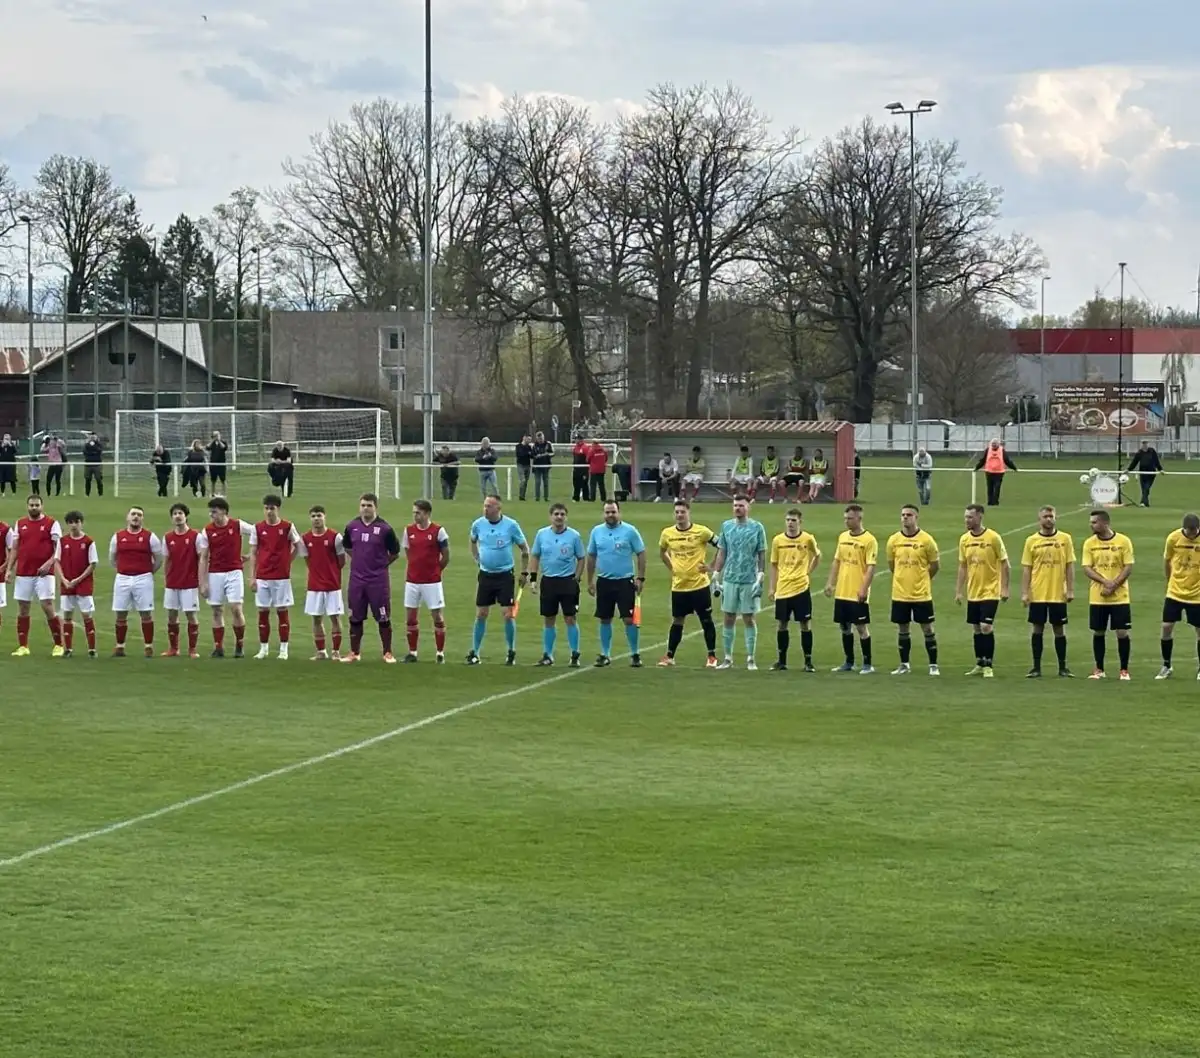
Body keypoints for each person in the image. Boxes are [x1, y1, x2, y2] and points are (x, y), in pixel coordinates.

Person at [340, 492, 402, 663]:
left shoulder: (385, 529)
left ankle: (387, 652)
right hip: (357, 580)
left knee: (382, 616)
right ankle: (354, 652)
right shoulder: (351, 526)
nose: (365, 508)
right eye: (363, 505)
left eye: (369, 505)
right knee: (355, 616)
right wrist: (361, 561)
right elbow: (348, 548)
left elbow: (395, 553)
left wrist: (380, 565)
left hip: (378, 581)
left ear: (376, 507)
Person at [467, 495, 529, 665]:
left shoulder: (511, 525)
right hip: (486, 575)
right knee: (481, 613)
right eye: (485, 505)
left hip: (504, 575)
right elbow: (473, 541)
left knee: (507, 614)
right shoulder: (478, 524)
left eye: (489, 506)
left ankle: (511, 651)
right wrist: (477, 558)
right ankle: (475, 652)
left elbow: (524, 548)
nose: (485, 509)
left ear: (498, 509)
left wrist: (524, 572)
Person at [657, 499, 719, 668]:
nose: (679, 515)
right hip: (679, 586)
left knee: (706, 620)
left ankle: (712, 656)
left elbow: (721, 545)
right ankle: (669, 656)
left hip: (699, 585)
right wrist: (672, 567)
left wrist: (711, 566)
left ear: (688, 513)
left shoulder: (702, 532)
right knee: (677, 620)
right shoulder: (667, 534)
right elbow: (662, 552)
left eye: (682, 512)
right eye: (677, 512)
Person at [586, 499, 646, 667]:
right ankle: (605, 654)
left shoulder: (630, 531)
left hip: (625, 581)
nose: (610, 515)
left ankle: (635, 653)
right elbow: (591, 556)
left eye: (613, 512)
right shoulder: (597, 532)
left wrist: (640, 577)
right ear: (603, 514)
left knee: (628, 619)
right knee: (604, 618)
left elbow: (641, 553)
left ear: (619, 512)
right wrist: (590, 580)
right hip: (604, 581)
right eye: (607, 512)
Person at [712, 494, 768, 670]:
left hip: (748, 579)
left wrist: (760, 574)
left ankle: (751, 658)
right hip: (730, 578)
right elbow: (722, 552)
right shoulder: (726, 526)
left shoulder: (757, 528)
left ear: (748, 507)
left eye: (741, 505)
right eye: (735, 505)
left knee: (748, 618)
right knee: (728, 616)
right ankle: (727, 658)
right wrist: (716, 573)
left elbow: (761, 553)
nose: (737, 508)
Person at [5, 494, 65, 656]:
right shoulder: (20, 524)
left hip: (44, 574)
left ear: (42, 506)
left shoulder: (51, 524)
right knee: (23, 608)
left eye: (37, 505)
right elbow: (15, 548)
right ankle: (23, 646)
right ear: (27, 506)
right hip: (24, 572)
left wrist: (49, 563)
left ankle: (59, 645)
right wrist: (9, 569)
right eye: (31, 505)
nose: (34, 508)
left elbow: (58, 549)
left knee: (47, 606)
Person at [1020, 505, 1075, 678]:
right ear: (1039, 519)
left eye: (1051, 516)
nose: (1048, 519)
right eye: (1045, 516)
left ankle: (1063, 667)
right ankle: (1036, 667)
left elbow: (1069, 566)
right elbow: (1027, 569)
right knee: (1037, 629)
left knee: (1059, 629)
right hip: (1038, 593)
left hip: (1058, 593)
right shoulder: (1031, 541)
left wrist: (1071, 589)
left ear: (1055, 518)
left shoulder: (1065, 539)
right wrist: (1025, 592)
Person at [955, 503, 1010, 678]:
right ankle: (979, 662)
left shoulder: (993, 537)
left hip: (990, 590)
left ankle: (989, 665)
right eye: (965, 517)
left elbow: (1005, 563)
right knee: (977, 629)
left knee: (986, 626)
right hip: (973, 591)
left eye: (970, 517)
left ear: (980, 517)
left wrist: (1004, 588)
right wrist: (959, 590)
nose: (967, 520)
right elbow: (963, 566)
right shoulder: (964, 540)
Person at [886, 504, 940, 676]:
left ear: (916, 517)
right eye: (903, 515)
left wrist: (922, 579)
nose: (905, 518)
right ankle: (904, 664)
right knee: (903, 629)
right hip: (900, 593)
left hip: (921, 594)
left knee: (928, 629)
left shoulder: (926, 541)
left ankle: (933, 665)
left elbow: (935, 565)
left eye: (909, 515)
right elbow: (892, 565)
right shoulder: (893, 540)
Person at [530, 502, 585, 667]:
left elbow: (581, 557)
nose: (559, 517)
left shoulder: (574, 536)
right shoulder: (541, 535)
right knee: (549, 618)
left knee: (570, 618)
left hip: (567, 581)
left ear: (566, 517)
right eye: (556, 514)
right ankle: (548, 654)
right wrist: (533, 579)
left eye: (562, 514)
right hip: (548, 581)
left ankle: (575, 653)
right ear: (551, 517)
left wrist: (577, 577)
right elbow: (535, 556)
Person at [823, 503, 877, 674]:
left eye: (850, 518)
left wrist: (864, 589)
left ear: (859, 519)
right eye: (845, 518)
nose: (846, 522)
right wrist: (830, 583)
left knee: (861, 627)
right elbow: (837, 561)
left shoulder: (869, 540)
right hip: (842, 591)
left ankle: (868, 664)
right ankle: (849, 662)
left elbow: (871, 567)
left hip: (857, 592)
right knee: (844, 626)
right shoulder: (843, 537)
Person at [1082, 509, 1134, 680]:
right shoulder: (1089, 543)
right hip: (1098, 596)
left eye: (1094, 522)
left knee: (1122, 632)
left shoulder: (1123, 541)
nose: (1091, 525)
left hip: (1120, 597)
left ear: (1105, 523)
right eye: (1091, 522)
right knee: (1098, 632)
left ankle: (1124, 670)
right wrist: (1106, 583)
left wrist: (1114, 585)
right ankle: (1099, 669)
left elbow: (1128, 567)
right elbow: (1087, 568)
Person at [197, 496, 252, 658]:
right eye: (210, 512)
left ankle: (239, 644)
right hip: (215, 573)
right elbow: (204, 557)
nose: (211, 515)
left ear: (224, 512)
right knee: (216, 610)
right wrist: (203, 582)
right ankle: (218, 647)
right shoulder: (207, 531)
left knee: (236, 608)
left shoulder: (237, 525)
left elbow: (260, 535)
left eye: (214, 512)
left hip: (234, 572)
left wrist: (249, 555)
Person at [249, 494, 302, 660]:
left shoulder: (287, 526)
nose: (269, 511)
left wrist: (288, 562)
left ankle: (283, 649)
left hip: (281, 577)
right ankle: (263, 648)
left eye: (272, 508)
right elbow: (253, 553)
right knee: (263, 611)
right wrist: (252, 577)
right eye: (266, 508)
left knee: (282, 611)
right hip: (263, 576)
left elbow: (299, 546)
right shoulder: (257, 528)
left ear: (278, 509)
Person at [768, 507, 820, 672]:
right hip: (783, 589)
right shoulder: (778, 541)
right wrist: (772, 587)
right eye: (788, 520)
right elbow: (774, 565)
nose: (790, 523)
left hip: (801, 588)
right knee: (782, 624)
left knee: (805, 624)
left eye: (793, 520)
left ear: (800, 522)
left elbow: (817, 555)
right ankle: (781, 661)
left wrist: (807, 572)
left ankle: (808, 662)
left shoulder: (807, 539)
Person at [109, 505, 163, 658]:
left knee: (145, 612)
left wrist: (148, 571)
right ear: (127, 517)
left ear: (142, 518)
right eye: (133, 514)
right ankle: (120, 646)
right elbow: (112, 558)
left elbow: (158, 559)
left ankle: (148, 646)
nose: (136, 517)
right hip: (123, 578)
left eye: (139, 515)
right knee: (120, 612)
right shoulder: (117, 537)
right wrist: (123, 570)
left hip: (143, 578)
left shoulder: (150, 537)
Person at [401, 498, 450, 663]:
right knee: (410, 617)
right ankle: (412, 652)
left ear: (427, 513)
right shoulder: (408, 531)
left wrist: (435, 571)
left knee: (437, 617)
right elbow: (408, 552)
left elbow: (446, 556)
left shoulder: (438, 531)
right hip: (412, 581)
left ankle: (440, 652)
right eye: (414, 513)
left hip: (432, 582)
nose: (415, 516)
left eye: (418, 513)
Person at [1158, 512, 1200, 679]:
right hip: (1175, 591)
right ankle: (1166, 665)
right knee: (1166, 627)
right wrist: (1170, 581)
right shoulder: (1173, 538)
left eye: (1194, 531)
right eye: (1189, 531)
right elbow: (1167, 561)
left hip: (1197, 594)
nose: (1191, 535)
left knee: (1199, 630)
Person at [302, 505, 346, 660]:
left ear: (324, 517)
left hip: (332, 585)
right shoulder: (305, 538)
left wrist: (331, 573)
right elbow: (308, 560)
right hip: (314, 586)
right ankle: (321, 651)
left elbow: (341, 560)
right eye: (313, 516)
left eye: (319, 515)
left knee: (335, 617)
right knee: (316, 618)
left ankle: (335, 651)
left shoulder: (335, 537)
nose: (316, 519)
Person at [162, 502, 202, 658]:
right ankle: (174, 648)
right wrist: (167, 578)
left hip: (189, 582)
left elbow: (201, 558)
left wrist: (199, 578)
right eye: (174, 514)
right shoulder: (167, 537)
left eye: (180, 513)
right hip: (173, 582)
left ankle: (192, 649)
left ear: (186, 516)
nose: (177, 516)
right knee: (172, 614)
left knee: (190, 614)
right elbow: (167, 560)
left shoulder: (195, 537)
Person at [56, 511, 98, 658]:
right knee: (67, 615)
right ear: (67, 524)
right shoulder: (62, 541)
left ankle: (92, 649)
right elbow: (57, 561)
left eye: (77, 522)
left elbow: (92, 564)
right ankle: (68, 649)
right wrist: (63, 579)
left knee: (87, 615)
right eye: (71, 522)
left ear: (81, 523)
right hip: (67, 584)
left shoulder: (88, 542)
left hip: (83, 585)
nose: (74, 525)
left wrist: (78, 579)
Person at [974, 438, 1017, 506]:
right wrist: (977, 467)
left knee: (997, 487)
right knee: (989, 487)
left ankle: (995, 502)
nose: (993, 445)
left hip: (999, 472)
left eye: (995, 444)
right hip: (989, 471)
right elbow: (983, 460)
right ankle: (990, 502)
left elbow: (1006, 460)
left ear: (998, 444)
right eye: (992, 444)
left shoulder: (1001, 450)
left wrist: (1014, 468)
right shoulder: (988, 450)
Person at [1127, 440, 1164, 507]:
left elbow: (1156, 461)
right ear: (1142, 445)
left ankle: (1142, 502)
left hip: (1151, 474)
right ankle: (1146, 503)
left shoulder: (1152, 451)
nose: (1145, 445)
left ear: (1148, 444)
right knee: (1144, 489)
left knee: (1146, 488)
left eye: (1146, 444)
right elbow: (1134, 462)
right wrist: (1128, 470)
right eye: (1144, 444)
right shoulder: (1139, 453)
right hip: (1142, 474)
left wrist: (1160, 469)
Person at [531, 431, 553, 502]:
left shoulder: (548, 444)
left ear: (543, 437)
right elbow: (532, 455)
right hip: (537, 467)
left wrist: (547, 455)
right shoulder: (534, 445)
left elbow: (552, 453)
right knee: (537, 482)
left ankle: (546, 498)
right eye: (539, 439)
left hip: (546, 466)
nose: (540, 440)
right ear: (537, 439)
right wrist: (537, 456)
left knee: (546, 482)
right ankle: (537, 498)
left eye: (541, 438)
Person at [206, 431, 229, 496]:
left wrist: (219, 441)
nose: (216, 436)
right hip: (213, 464)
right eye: (215, 435)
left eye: (217, 435)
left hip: (221, 464)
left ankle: (224, 494)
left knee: (223, 480)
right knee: (213, 480)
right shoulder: (212, 443)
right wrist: (213, 440)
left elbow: (224, 448)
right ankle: (213, 493)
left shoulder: (223, 442)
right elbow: (207, 447)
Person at [83, 432, 104, 496]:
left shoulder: (99, 444)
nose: (92, 438)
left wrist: (93, 446)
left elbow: (99, 451)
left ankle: (100, 494)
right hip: (88, 464)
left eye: (94, 437)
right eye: (91, 437)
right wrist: (92, 450)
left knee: (98, 479)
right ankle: (87, 494)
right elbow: (85, 452)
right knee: (87, 480)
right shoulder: (87, 444)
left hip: (97, 464)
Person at [571, 435, 590, 502]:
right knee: (576, 483)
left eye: (577, 439)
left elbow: (588, 459)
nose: (575, 440)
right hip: (576, 469)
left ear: (580, 439)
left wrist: (586, 470)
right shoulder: (575, 447)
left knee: (584, 483)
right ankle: (576, 498)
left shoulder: (585, 447)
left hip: (583, 469)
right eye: (575, 439)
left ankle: (586, 498)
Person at [515, 434, 534, 501]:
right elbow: (520, 455)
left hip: (528, 465)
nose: (529, 441)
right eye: (528, 439)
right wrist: (527, 453)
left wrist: (528, 453)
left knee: (526, 482)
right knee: (523, 480)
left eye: (530, 440)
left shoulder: (529, 447)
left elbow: (532, 455)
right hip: (520, 465)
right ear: (524, 438)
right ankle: (520, 495)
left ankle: (523, 496)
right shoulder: (518, 446)